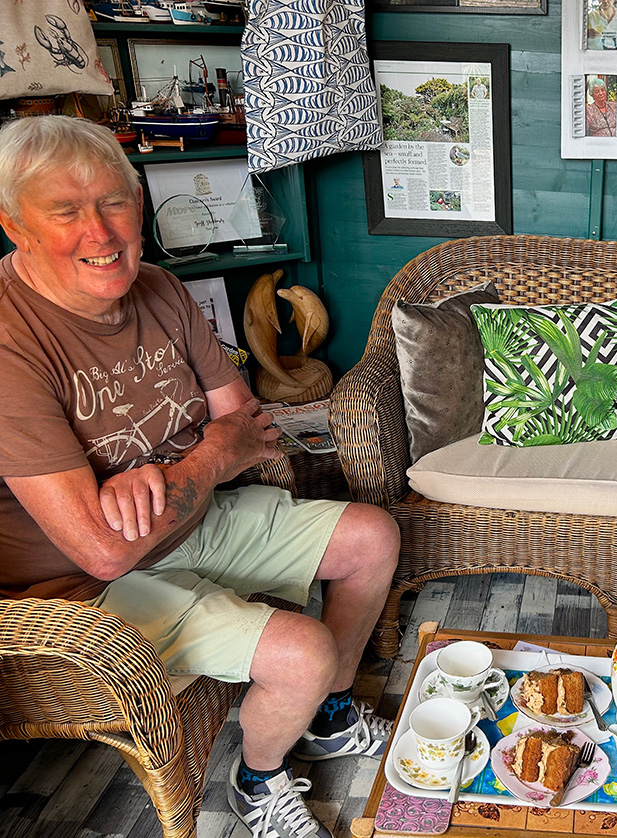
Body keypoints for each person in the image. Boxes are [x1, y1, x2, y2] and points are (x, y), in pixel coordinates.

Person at [0, 116, 401, 838]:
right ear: (14, 225)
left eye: (114, 203)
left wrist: (162, 473)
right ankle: (259, 781)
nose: (101, 232)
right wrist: (208, 455)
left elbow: (250, 424)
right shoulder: (9, 342)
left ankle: (330, 715)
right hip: (87, 588)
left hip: (186, 519)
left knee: (373, 535)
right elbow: (102, 549)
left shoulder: (157, 287)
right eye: (65, 211)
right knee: (301, 648)